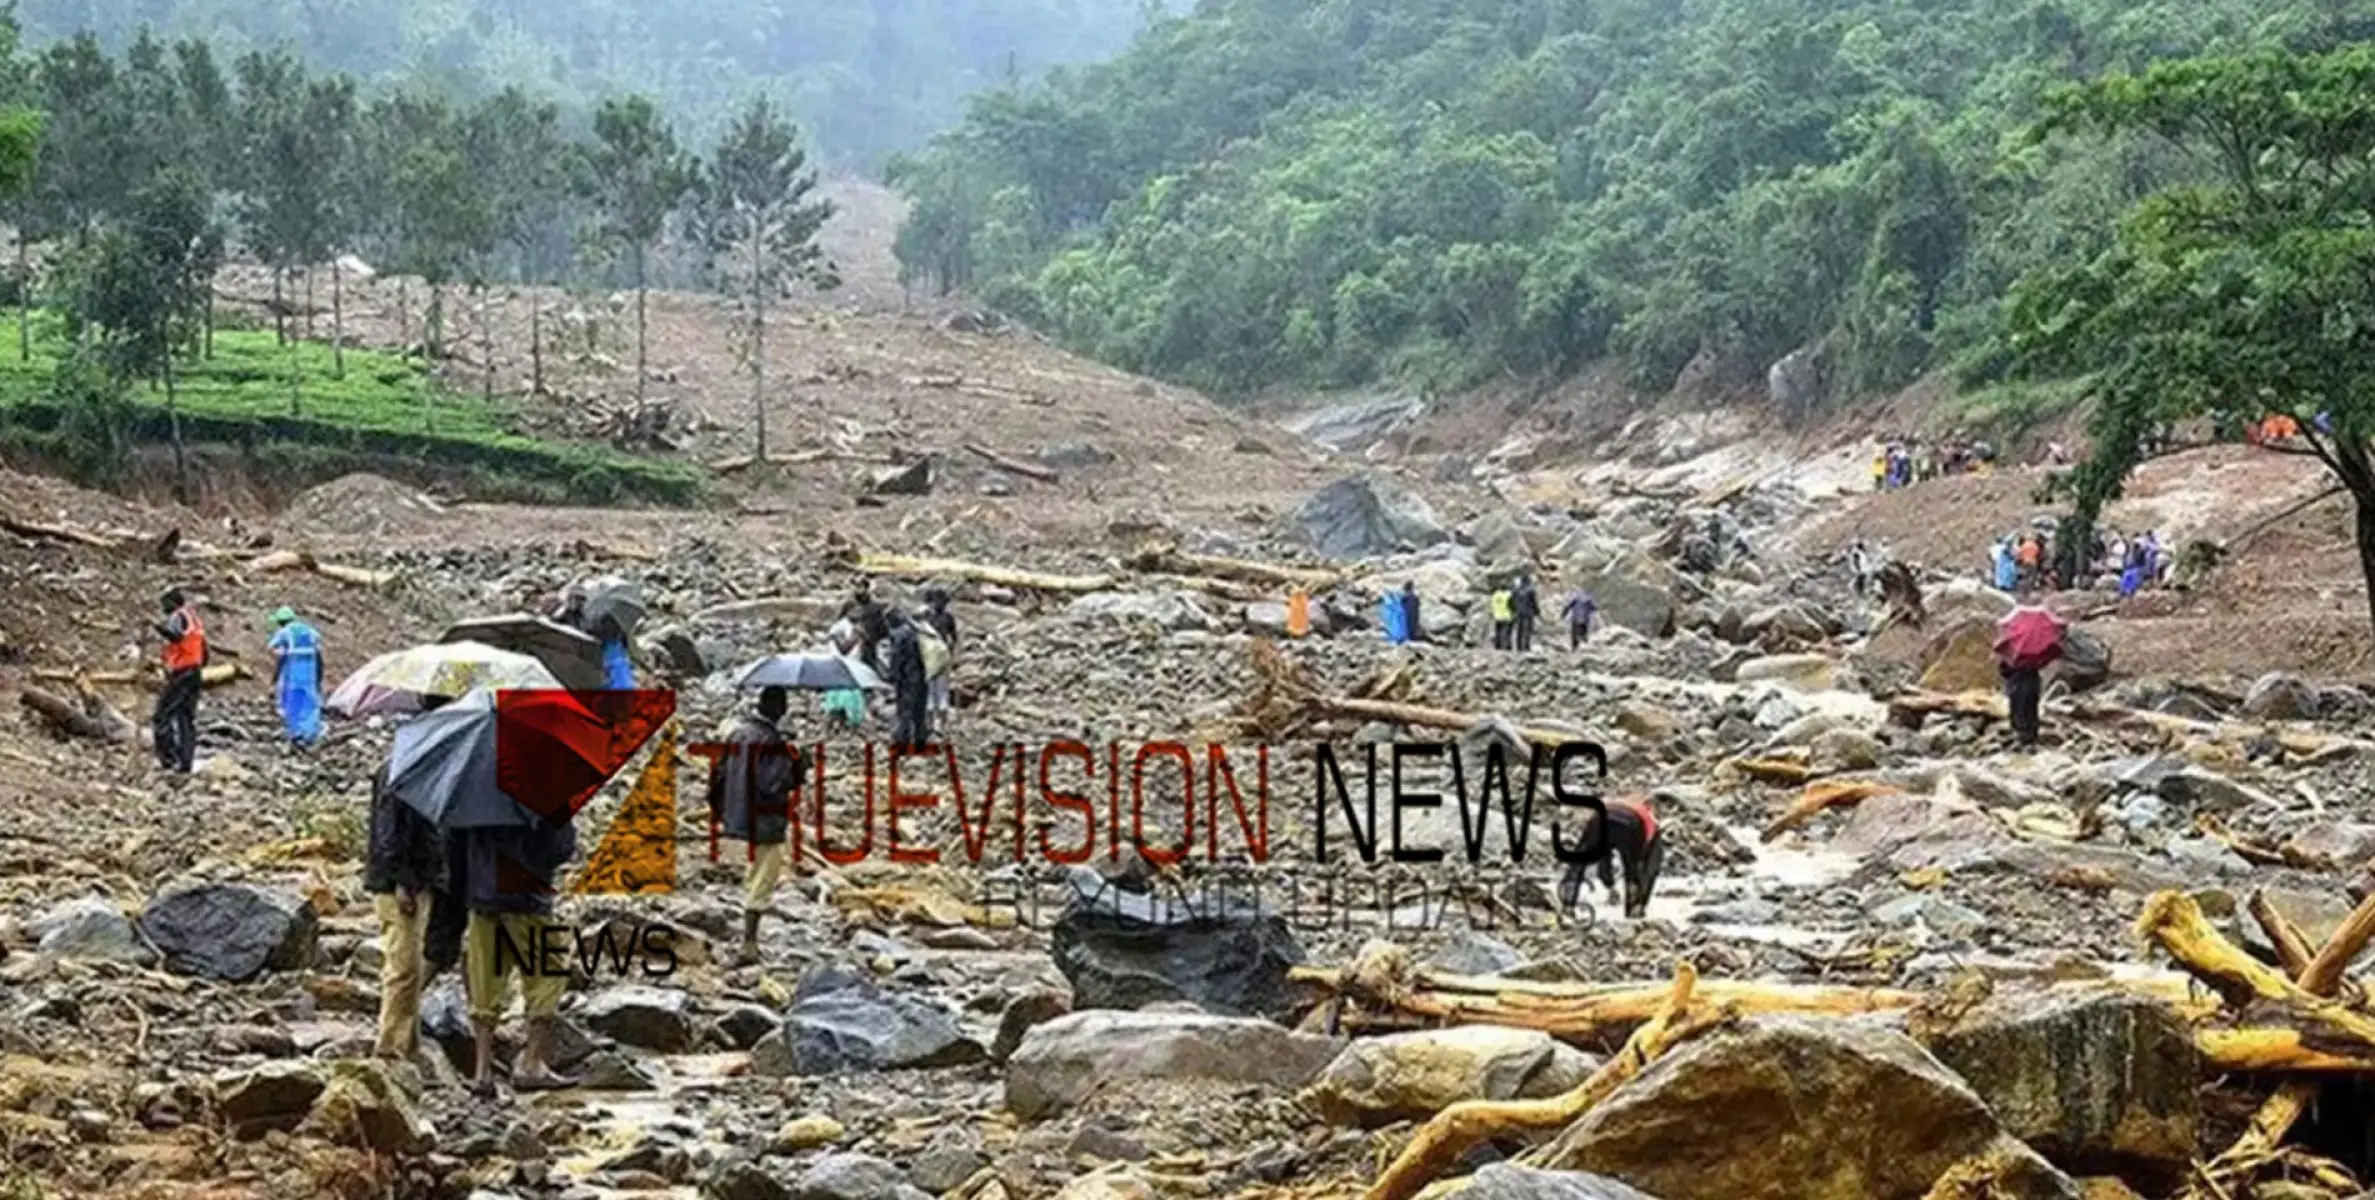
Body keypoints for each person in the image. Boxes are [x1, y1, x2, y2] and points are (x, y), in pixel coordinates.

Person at [462, 812, 578, 1095]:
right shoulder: (541, 793)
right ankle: (531, 1063)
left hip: (482, 899)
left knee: (485, 978)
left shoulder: (476, 793)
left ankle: (482, 1073)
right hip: (525, 898)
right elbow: (560, 848)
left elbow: (458, 846)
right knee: (548, 972)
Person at [364, 706, 447, 1062]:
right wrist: (402, 882)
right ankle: (390, 1047)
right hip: (400, 883)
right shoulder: (399, 772)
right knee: (403, 967)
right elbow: (388, 834)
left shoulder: (416, 770)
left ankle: (405, 1044)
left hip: (416, 878)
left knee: (409, 968)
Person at [706, 686, 803, 965]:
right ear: (780, 709)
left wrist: (723, 813)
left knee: (751, 874)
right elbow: (773, 784)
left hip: (739, 817)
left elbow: (718, 777)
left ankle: (748, 939)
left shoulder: (738, 733)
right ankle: (749, 943)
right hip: (765, 820)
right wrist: (796, 762)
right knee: (763, 878)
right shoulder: (770, 741)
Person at [1557, 795, 1665, 920]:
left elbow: (1604, 858)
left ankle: (1568, 905)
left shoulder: (1619, 801)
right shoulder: (1651, 822)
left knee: (1579, 862)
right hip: (1631, 824)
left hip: (1600, 818)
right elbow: (1649, 868)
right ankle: (1634, 911)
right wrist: (1642, 901)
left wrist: (1609, 884)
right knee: (1633, 870)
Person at [1995, 595, 2067, 750]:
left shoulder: (2012, 652)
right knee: (2031, 708)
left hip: (2017, 683)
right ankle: (2031, 737)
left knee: (2018, 709)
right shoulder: (2037, 655)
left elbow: (2003, 670)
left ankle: (2020, 736)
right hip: (2033, 682)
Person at [152, 587, 206, 773]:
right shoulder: (194, 619)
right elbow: (204, 651)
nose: (163, 609)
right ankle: (185, 762)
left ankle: (169, 759)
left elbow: (175, 636)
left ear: (172, 603)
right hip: (195, 671)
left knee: (162, 715)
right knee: (186, 717)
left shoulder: (177, 616)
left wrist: (157, 627)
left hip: (182, 671)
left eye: (164, 605)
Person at [267, 606, 325, 745]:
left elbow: (271, 648)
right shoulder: (310, 631)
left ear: (281, 622)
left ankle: (295, 732)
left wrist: (282, 654)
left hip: (294, 670)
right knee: (310, 699)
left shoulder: (285, 632)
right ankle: (311, 732)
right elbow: (319, 648)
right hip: (310, 670)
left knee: (293, 700)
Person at [885, 611, 930, 751]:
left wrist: (892, 675)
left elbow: (897, 658)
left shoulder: (899, 635)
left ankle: (902, 743)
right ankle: (920, 742)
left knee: (905, 710)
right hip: (922, 677)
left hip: (907, 679)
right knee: (919, 711)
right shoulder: (916, 631)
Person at [921, 586, 958, 726]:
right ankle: (941, 722)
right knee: (941, 690)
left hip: (929, 657)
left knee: (931, 690)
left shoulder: (926, 618)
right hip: (942, 657)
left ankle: (931, 721)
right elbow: (953, 639)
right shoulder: (948, 618)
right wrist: (951, 654)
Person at [1510, 576, 1539, 652]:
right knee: (1527, 630)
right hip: (1528, 613)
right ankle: (1526, 646)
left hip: (1519, 612)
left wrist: (1514, 610)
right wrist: (1537, 611)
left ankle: (1519, 646)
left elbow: (1511, 601)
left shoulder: (1515, 590)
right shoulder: (1530, 590)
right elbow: (1534, 603)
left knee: (1519, 630)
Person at [1489, 585, 1514, 650]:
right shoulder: (1509, 595)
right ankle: (1506, 646)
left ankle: (1497, 645)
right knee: (1507, 632)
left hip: (1497, 616)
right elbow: (1512, 605)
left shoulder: (1495, 595)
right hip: (1507, 616)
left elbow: (1492, 605)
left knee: (1498, 631)